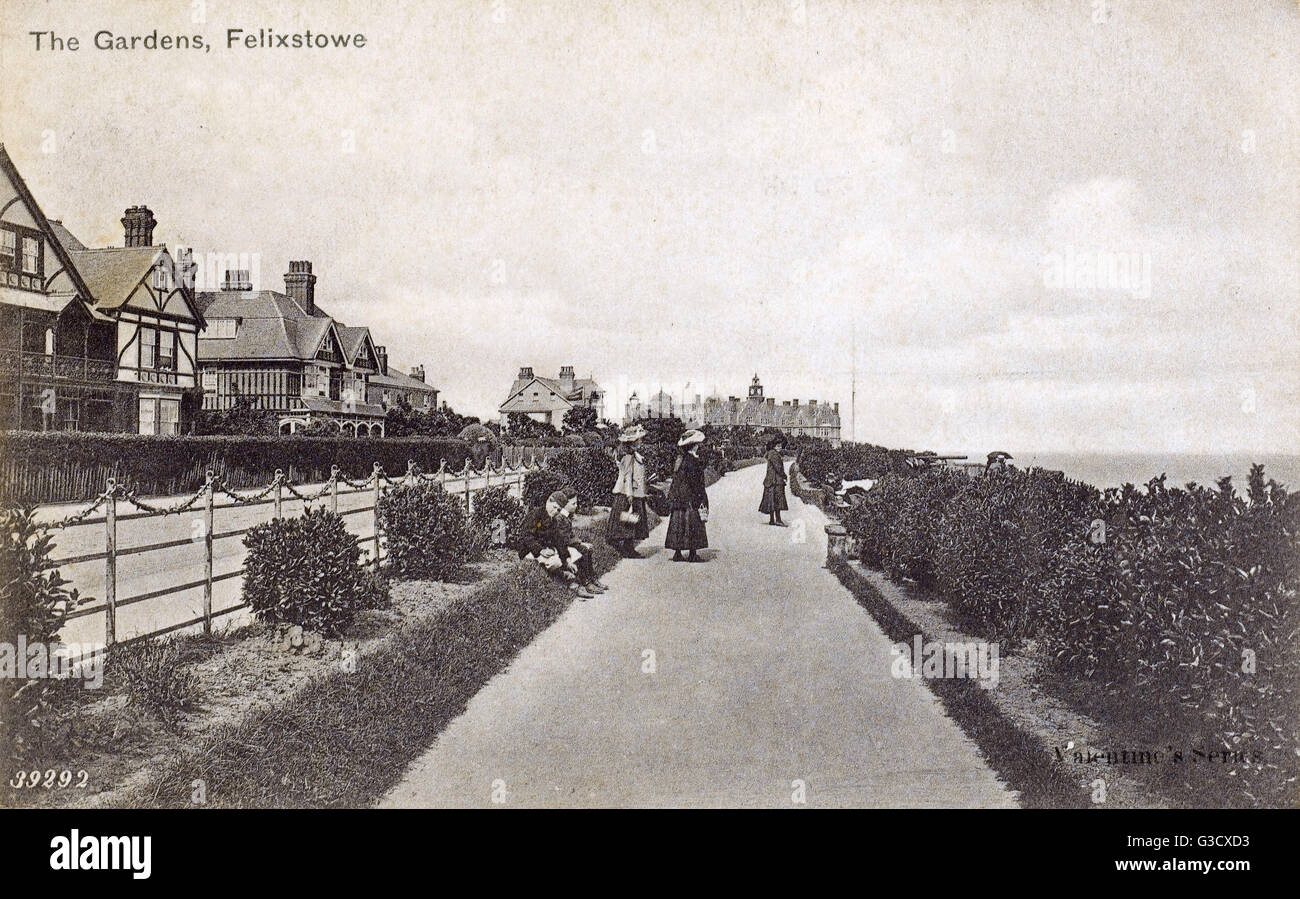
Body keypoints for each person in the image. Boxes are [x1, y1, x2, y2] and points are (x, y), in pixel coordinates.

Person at [519, 490, 599, 598]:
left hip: (547, 548)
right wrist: (540, 550)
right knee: (555, 562)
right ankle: (568, 579)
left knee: (573, 554)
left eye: (559, 509)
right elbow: (527, 536)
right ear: (548, 501)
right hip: (530, 549)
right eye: (554, 507)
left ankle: (581, 580)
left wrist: (567, 559)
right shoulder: (536, 514)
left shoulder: (553, 520)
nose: (555, 511)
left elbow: (558, 540)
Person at [665, 429, 709, 562]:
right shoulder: (693, 461)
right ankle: (692, 553)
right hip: (690, 496)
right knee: (692, 522)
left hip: (678, 496)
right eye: (697, 444)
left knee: (678, 522)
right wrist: (702, 497)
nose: (699, 446)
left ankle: (677, 552)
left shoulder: (681, 460)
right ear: (694, 445)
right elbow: (696, 482)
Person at [606, 423, 650, 557]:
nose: (641, 441)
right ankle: (627, 548)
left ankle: (628, 547)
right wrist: (629, 494)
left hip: (634, 492)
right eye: (639, 439)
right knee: (627, 521)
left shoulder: (633, 454)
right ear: (633, 441)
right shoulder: (627, 456)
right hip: (627, 492)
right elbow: (627, 476)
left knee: (631, 521)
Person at [554, 490, 609, 593]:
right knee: (583, 550)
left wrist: (579, 542)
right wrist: (579, 543)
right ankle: (586, 582)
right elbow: (563, 538)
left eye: (576, 503)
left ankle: (592, 578)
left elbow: (570, 535)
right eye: (573, 503)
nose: (576, 506)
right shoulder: (559, 518)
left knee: (587, 549)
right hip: (561, 547)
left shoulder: (566, 516)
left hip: (568, 543)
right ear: (564, 504)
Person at [759, 435, 789, 526]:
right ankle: (778, 520)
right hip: (775, 481)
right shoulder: (774, 454)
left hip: (770, 481)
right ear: (774, 446)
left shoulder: (771, 453)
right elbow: (778, 468)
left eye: (780, 446)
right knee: (777, 501)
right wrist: (784, 476)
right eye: (778, 446)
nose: (780, 447)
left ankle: (772, 520)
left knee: (771, 501)